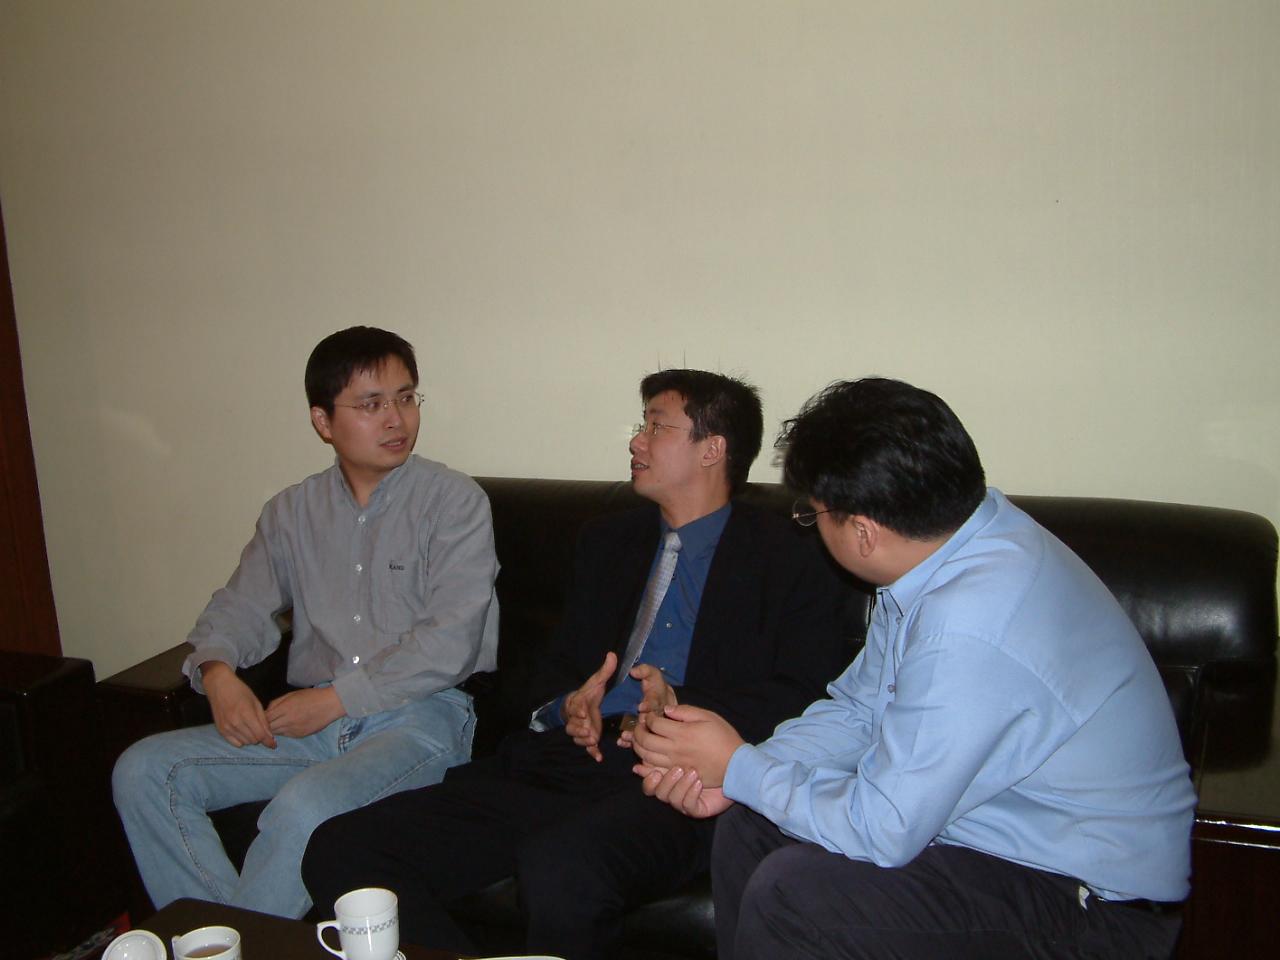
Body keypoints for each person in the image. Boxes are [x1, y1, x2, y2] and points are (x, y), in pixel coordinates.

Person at [634, 377, 1197, 960]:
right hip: (991, 846)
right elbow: (860, 710)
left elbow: (883, 827)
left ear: (863, 532)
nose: (812, 524)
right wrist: (735, 774)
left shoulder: (972, 623)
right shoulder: (945, 552)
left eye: (813, 512)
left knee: (794, 894)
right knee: (752, 826)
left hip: (1090, 904)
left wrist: (742, 768)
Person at [301, 369, 851, 960]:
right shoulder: (606, 541)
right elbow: (549, 668)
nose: (636, 441)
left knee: (562, 866)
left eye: (656, 427)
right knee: (342, 847)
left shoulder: (794, 554)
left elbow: (807, 693)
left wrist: (681, 713)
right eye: (641, 425)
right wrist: (567, 705)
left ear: (711, 449)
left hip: (677, 783)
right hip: (567, 762)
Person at [112, 326, 499, 919]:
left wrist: (337, 700)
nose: (396, 419)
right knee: (144, 770)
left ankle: (231, 948)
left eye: (405, 397)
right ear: (323, 421)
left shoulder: (454, 502)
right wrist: (217, 673)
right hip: (310, 727)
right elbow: (239, 607)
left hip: (420, 722)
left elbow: (449, 642)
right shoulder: (291, 513)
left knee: (304, 807)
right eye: (371, 404)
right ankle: (216, 938)